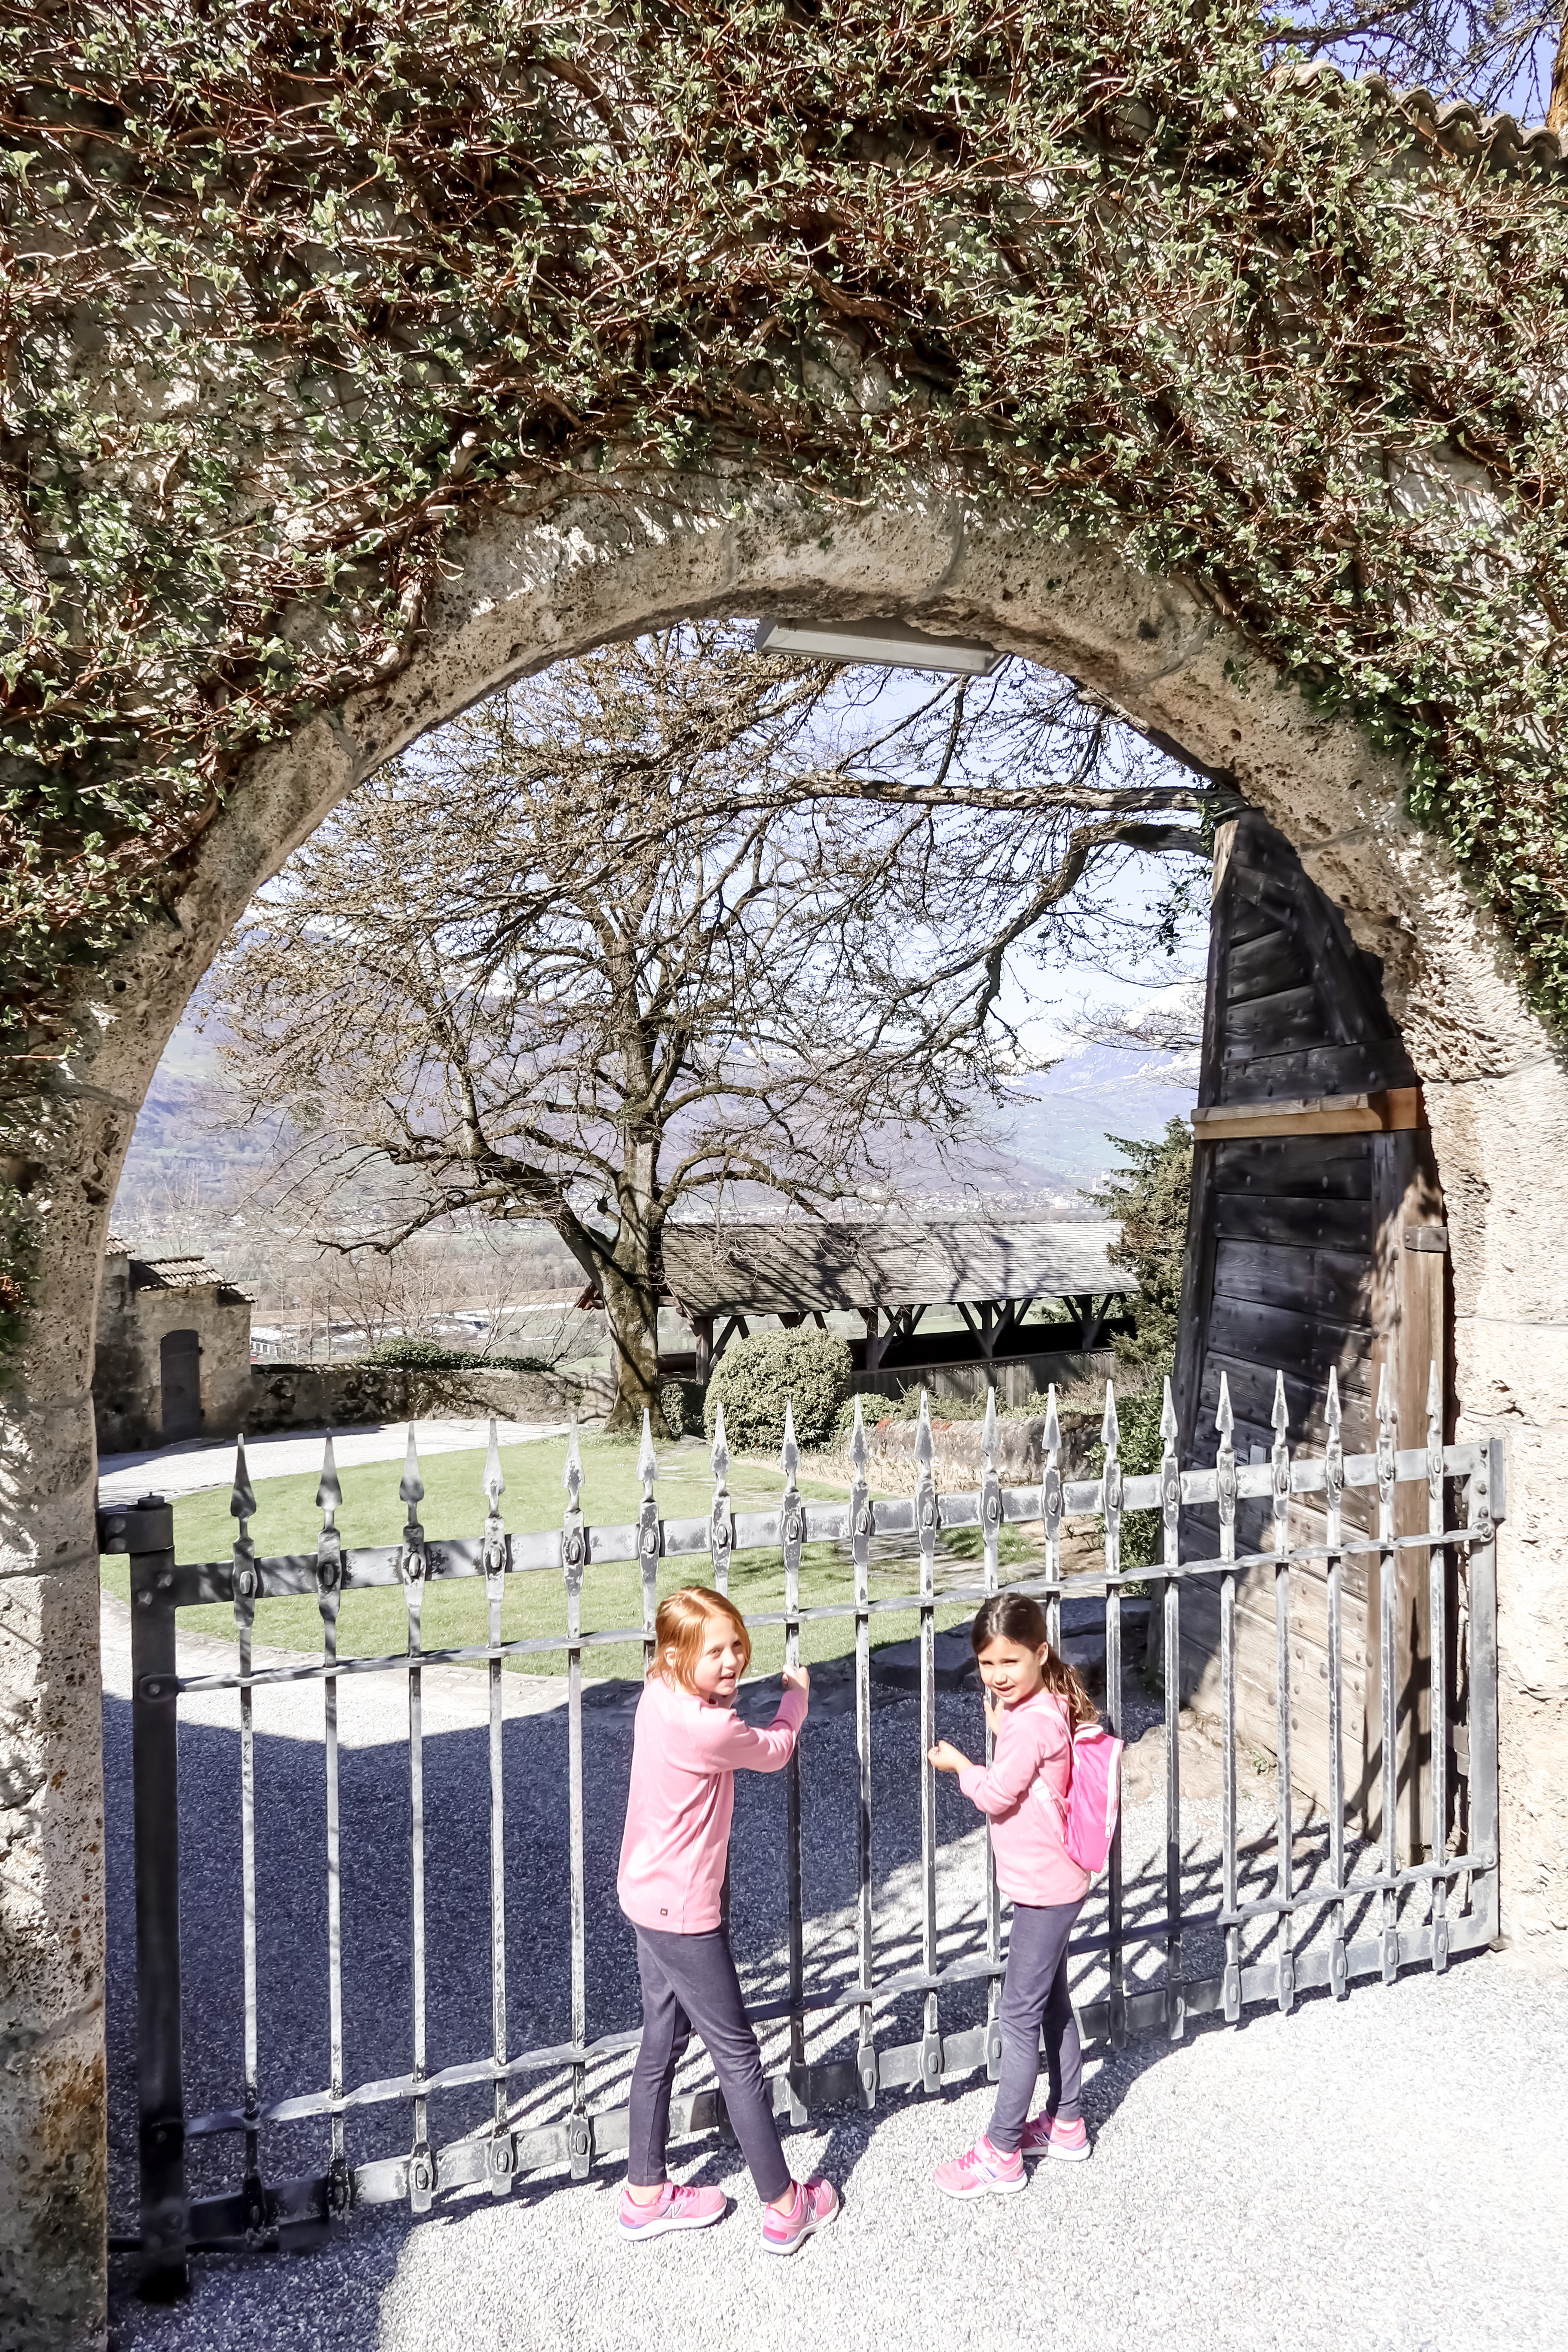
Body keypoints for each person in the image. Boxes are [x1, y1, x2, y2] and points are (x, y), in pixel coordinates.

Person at [616, 1583, 840, 2253]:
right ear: (676, 1655)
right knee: (738, 2056)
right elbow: (774, 1750)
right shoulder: (709, 1726)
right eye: (713, 1651)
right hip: (684, 1910)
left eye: (736, 1644)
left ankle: (645, 2193)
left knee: (662, 2037)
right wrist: (795, 1696)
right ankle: (783, 2205)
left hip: (643, 1895)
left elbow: (699, 1691)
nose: (732, 1660)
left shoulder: (659, 1694)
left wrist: (706, 1677)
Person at [927, 1590, 1095, 2196]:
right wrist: (1002, 1729)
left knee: (1019, 2016)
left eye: (1010, 1663)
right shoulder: (1045, 1707)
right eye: (987, 1664)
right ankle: (1067, 2121)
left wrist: (961, 1766)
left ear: (1040, 1654)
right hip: (1057, 1883)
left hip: (1045, 1890)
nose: (997, 1676)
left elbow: (998, 1794)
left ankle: (1001, 2152)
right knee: (1050, 2002)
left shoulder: (1030, 1725)